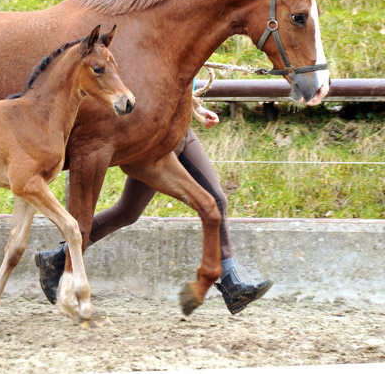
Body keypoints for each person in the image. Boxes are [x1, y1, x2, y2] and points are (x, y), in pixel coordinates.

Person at [34, 102, 273, 315]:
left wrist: (196, 107)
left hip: (181, 131)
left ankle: (232, 285)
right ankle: (59, 257)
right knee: (128, 211)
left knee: (215, 200)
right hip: (158, 140)